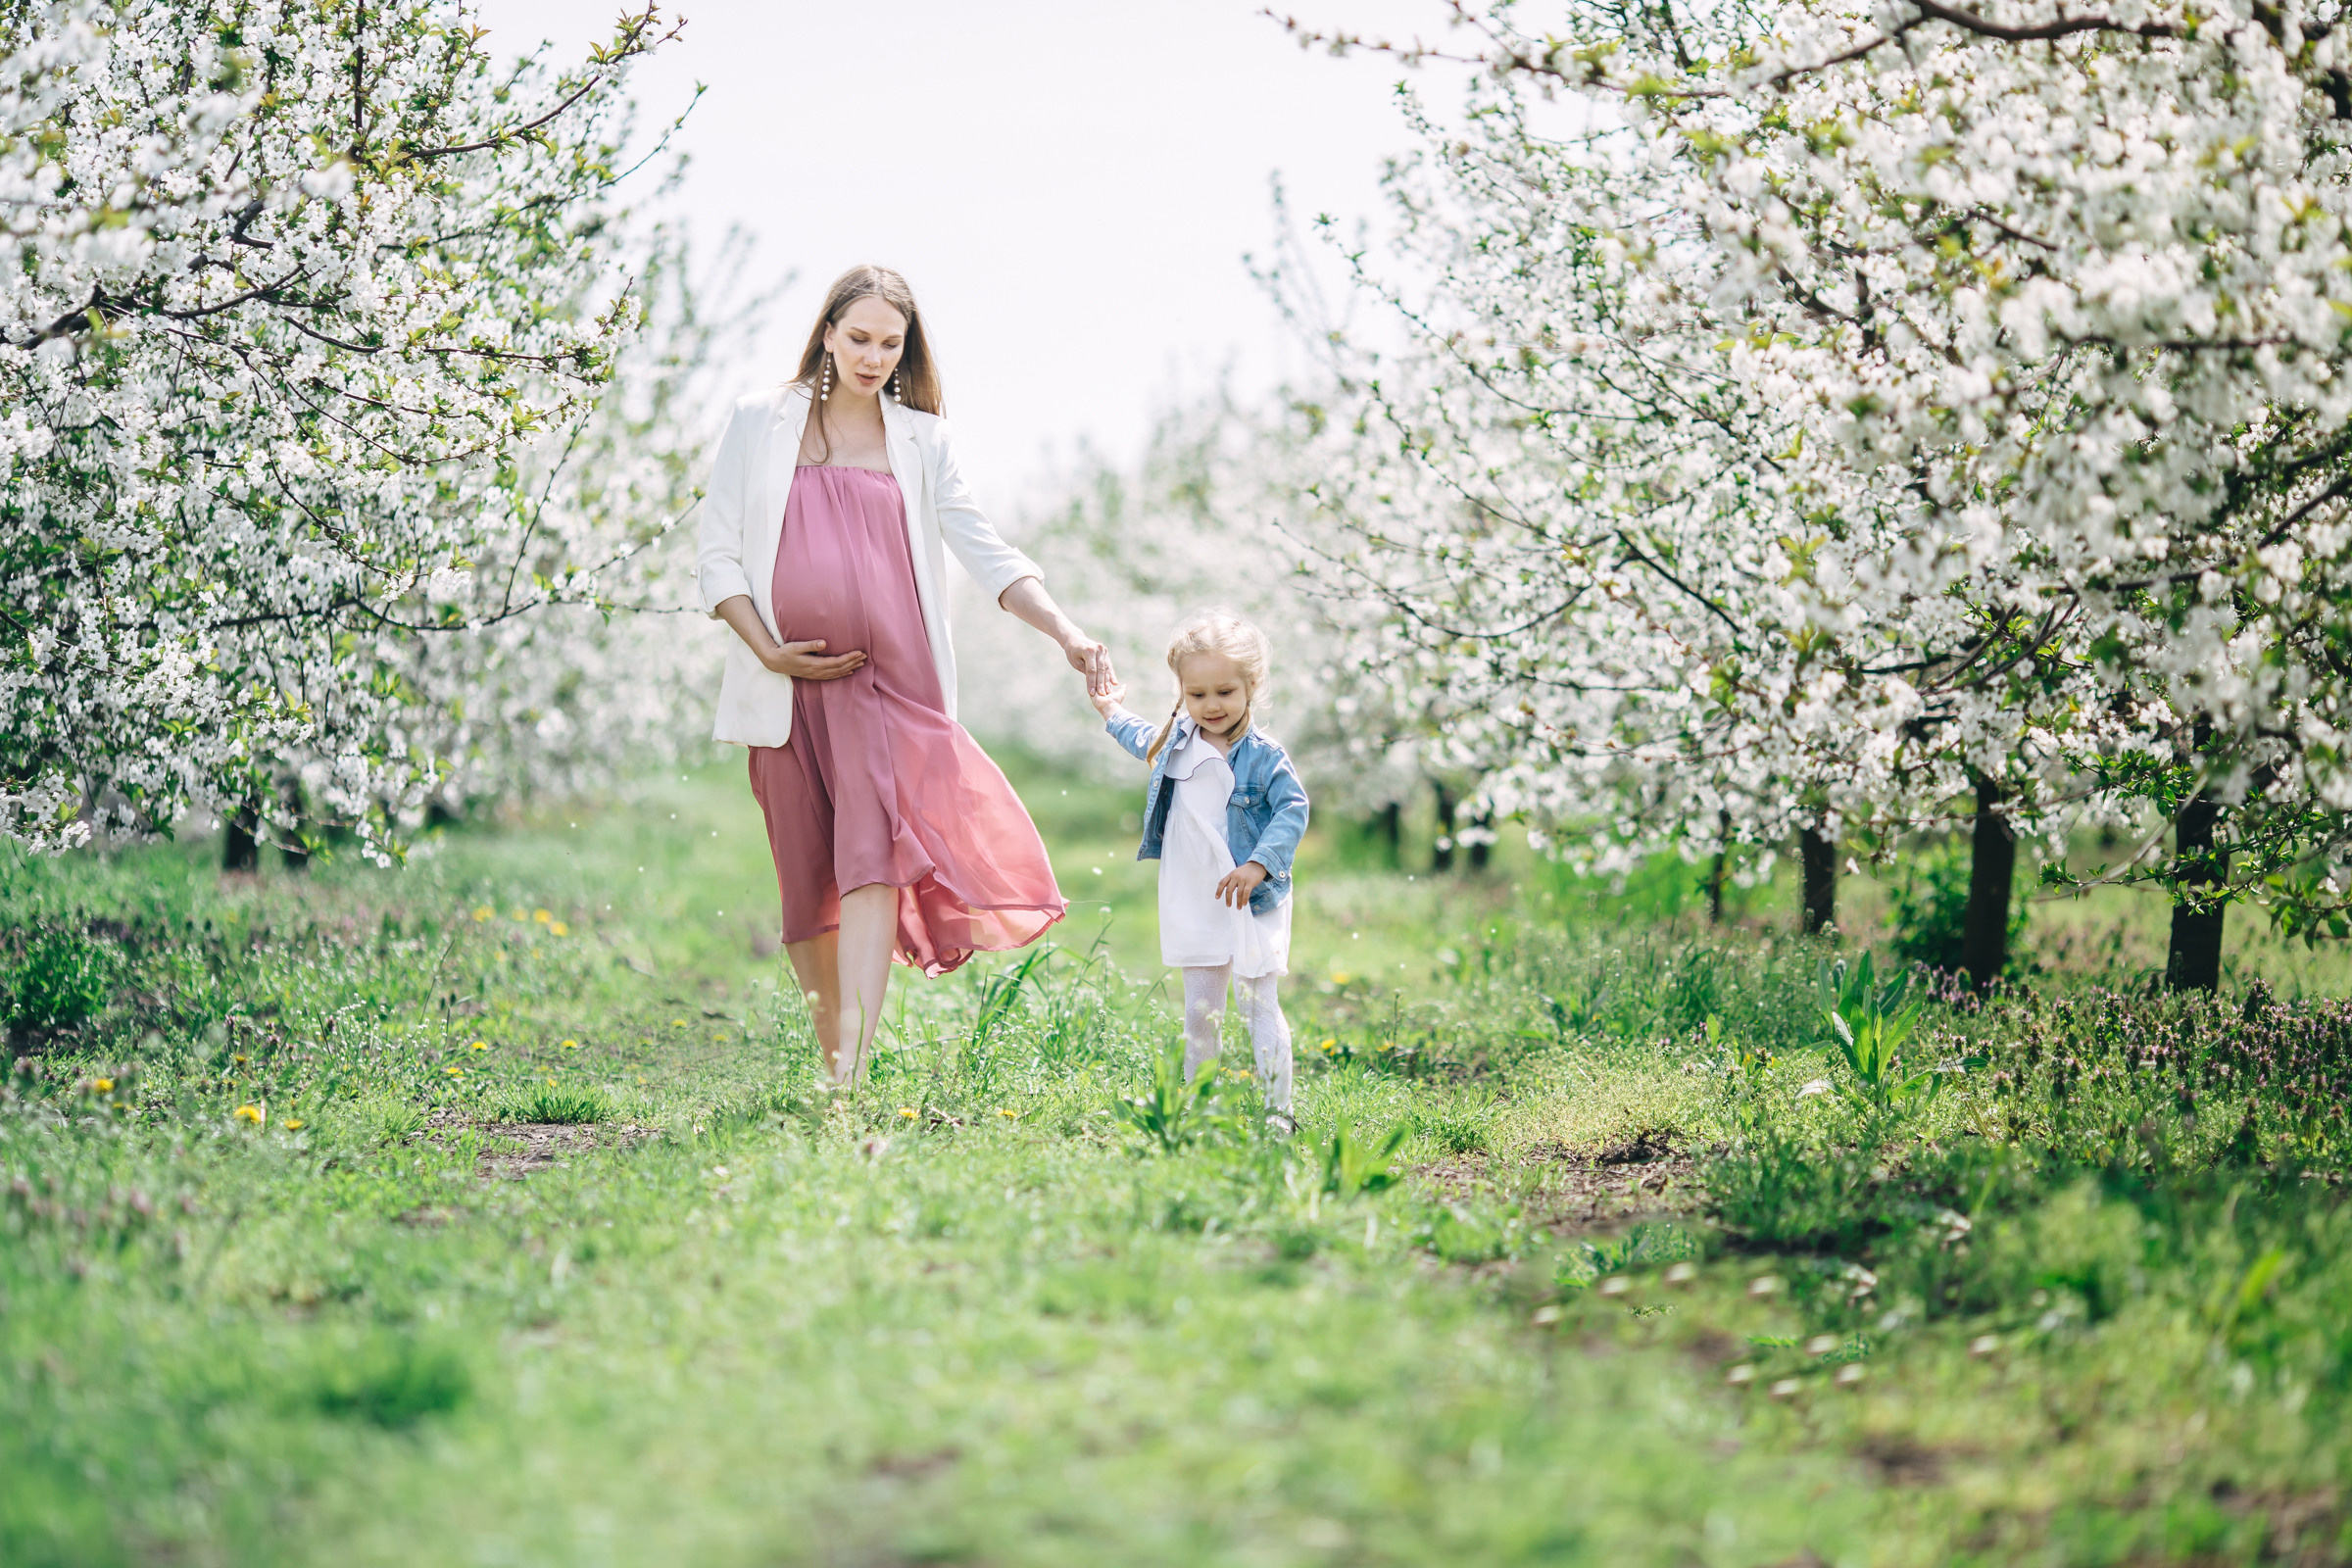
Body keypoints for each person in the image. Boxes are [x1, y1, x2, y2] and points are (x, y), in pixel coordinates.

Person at [696, 265, 1113, 1086]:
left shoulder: (922, 440)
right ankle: (832, 1061)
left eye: (891, 344)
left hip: (891, 688)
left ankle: (849, 1073)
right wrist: (767, 650)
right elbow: (715, 559)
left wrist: (1064, 630)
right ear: (826, 333)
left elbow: (985, 549)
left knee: (872, 862)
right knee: (806, 887)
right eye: (858, 338)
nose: (873, 356)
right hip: (786, 690)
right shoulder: (759, 422)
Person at [1092, 610, 1309, 1134]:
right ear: (1182, 693)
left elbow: (1292, 810)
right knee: (1199, 1011)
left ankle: (1279, 1113)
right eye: (1197, 695)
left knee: (1259, 1003)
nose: (1211, 706)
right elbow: (1142, 739)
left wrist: (1259, 864)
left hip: (1250, 893)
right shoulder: (1178, 740)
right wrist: (1109, 710)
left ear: (1251, 687)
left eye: (1225, 692)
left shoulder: (1264, 756)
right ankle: (1201, 1110)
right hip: (1195, 893)